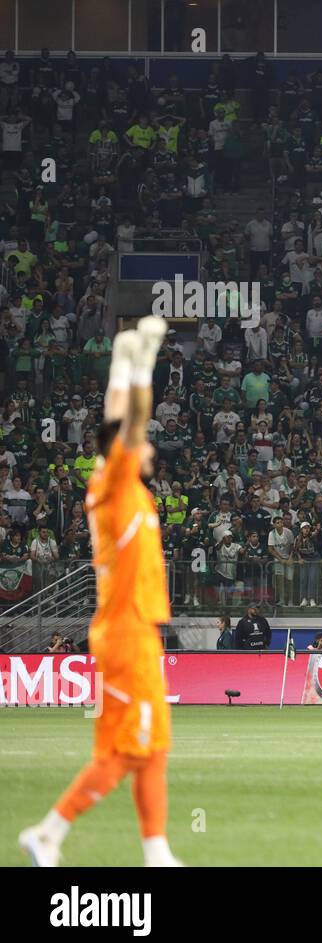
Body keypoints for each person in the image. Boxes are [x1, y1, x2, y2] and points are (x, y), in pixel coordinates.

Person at [19, 316, 183, 868]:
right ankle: (50, 832)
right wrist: (145, 362)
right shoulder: (114, 485)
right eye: (145, 444)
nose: (151, 449)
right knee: (126, 751)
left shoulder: (111, 480)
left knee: (152, 745)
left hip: (134, 629)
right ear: (125, 450)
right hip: (126, 630)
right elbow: (131, 420)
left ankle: (155, 851)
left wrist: (121, 358)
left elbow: (118, 417)